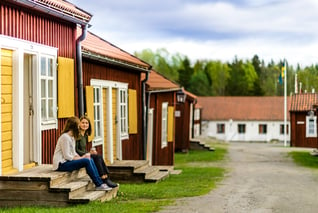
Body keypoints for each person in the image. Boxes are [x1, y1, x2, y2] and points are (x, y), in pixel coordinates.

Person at [52, 116, 112, 191]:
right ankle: (98, 184)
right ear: (74, 127)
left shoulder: (72, 137)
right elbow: (67, 156)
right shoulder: (65, 137)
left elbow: (73, 153)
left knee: (89, 159)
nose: (79, 127)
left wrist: (84, 156)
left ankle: (100, 182)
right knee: (86, 161)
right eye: (78, 126)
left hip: (67, 162)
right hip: (61, 164)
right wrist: (82, 158)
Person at [76, 115, 118, 188]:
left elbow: (83, 149)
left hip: (84, 155)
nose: (84, 125)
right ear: (79, 124)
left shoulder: (85, 135)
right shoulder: (77, 135)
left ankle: (106, 177)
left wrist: (90, 152)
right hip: (78, 157)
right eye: (83, 123)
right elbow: (76, 150)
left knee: (98, 156)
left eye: (86, 123)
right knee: (97, 157)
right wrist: (88, 153)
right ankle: (103, 177)